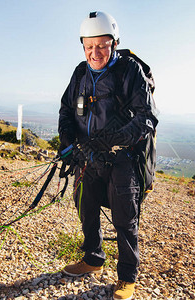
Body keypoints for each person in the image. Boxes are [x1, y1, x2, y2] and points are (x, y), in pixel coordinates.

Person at [58, 11, 158, 300]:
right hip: (86, 156)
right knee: (86, 207)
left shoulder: (129, 71)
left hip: (122, 157)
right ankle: (93, 258)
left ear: (114, 43)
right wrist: (68, 141)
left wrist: (109, 141)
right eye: (89, 47)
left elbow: (147, 117)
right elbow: (66, 109)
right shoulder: (80, 72)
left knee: (125, 218)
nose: (95, 52)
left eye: (101, 45)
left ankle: (127, 277)